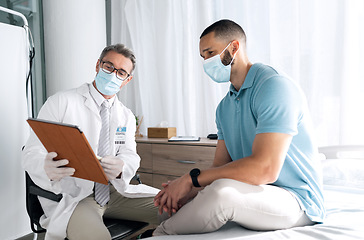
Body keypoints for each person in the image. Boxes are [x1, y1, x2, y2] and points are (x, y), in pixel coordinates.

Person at [153, 19, 325, 236]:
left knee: (221, 194)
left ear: (234, 48)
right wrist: (187, 190)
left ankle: (158, 234)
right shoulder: (224, 107)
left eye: (210, 53)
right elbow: (220, 167)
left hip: (296, 200)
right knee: (169, 207)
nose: (206, 61)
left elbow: (265, 169)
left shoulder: (274, 86)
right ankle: (166, 221)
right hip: (254, 192)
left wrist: (191, 178)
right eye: (202, 57)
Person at [22, 44, 159, 240]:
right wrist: (45, 167)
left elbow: (130, 154)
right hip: (77, 197)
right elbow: (31, 152)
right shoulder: (61, 102)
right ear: (98, 65)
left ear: (127, 80)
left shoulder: (126, 116)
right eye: (109, 67)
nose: (113, 75)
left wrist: (122, 167)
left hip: (115, 192)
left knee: (178, 210)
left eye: (121, 72)